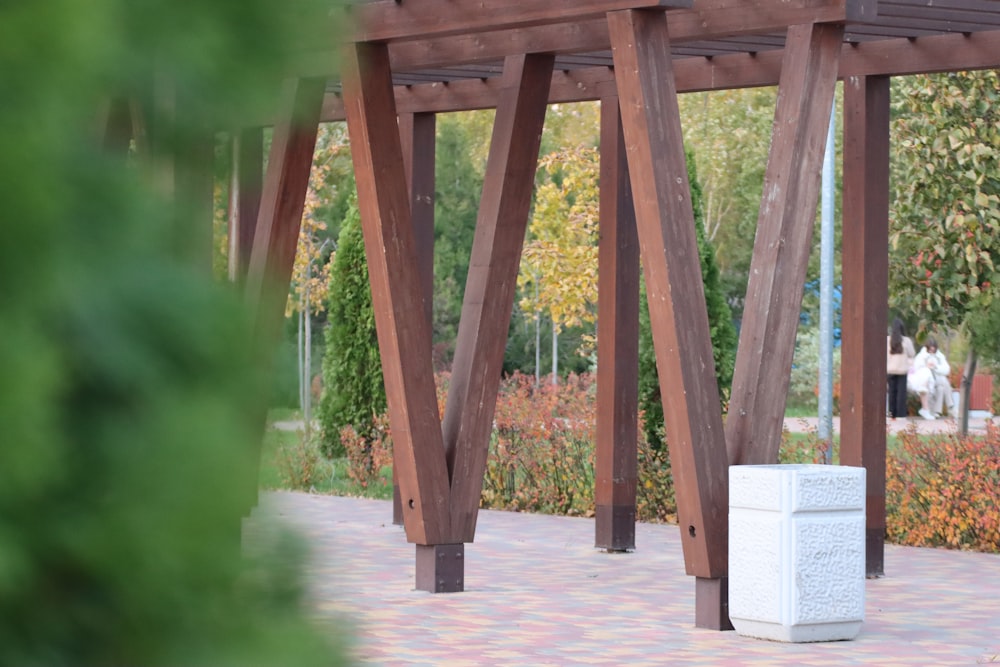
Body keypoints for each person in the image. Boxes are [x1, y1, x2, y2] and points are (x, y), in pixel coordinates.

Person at [910, 337, 955, 419]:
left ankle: (937, 411)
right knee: (942, 384)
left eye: (933, 350)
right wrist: (927, 366)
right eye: (930, 350)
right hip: (926, 380)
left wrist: (935, 367)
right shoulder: (921, 356)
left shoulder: (939, 356)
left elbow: (946, 369)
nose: (932, 352)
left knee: (942, 384)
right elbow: (917, 368)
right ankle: (950, 406)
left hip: (937, 377)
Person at [886, 318, 915, 419]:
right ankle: (900, 415)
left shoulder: (887, 340)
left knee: (891, 393)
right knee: (901, 394)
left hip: (890, 370)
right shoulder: (906, 341)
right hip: (902, 370)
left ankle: (891, 414)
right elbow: (912, 354)